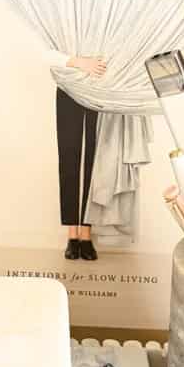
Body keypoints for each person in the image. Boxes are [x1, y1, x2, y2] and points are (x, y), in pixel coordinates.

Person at [48, 52, 107, 259]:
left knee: (95, 159)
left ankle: (86, 234)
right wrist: (80, 63)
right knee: (69, 155)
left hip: (98, 87)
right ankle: (72, 234)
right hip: (68, 85)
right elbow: (46, 53)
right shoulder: (64, 30)